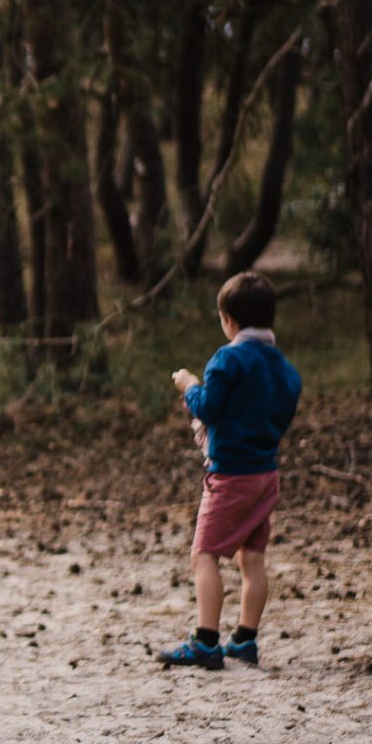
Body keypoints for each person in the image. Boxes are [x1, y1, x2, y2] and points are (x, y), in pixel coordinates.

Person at [160, 271, 303, 671]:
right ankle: (244, 639)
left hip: (231, 477)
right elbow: (288, 398)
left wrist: (189, 385)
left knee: (204, 555)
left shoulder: (228, 359)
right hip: (266, 475)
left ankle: (206, 641)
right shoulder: (282, 367)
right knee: (252, 558)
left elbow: (208, 407)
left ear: (229, 321)